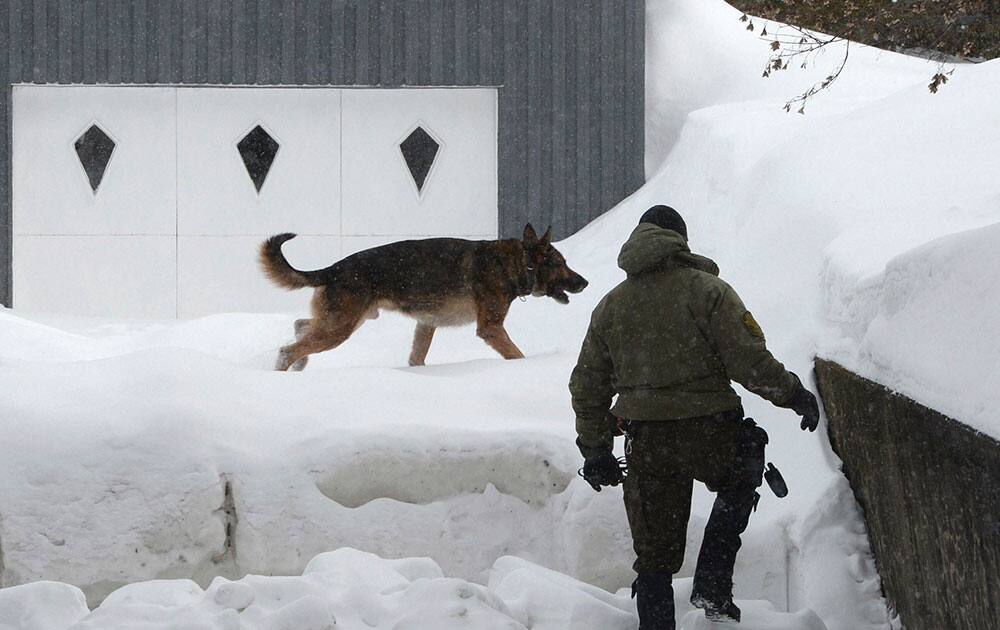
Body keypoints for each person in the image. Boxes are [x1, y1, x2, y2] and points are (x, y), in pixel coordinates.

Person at [568, 205, 820, 629]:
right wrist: (794, 395)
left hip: (648, 441)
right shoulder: (708, 291)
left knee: (654, 556)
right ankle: (713, 585)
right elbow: (750, 362)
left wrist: (596, 451)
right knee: (741, 474)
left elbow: (587, 386)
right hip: (711, 431)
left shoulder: (612, 307)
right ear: (680, 241)